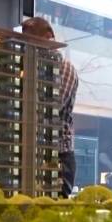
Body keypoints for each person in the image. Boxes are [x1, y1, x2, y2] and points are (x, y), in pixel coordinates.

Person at [21, 17, 79, 198]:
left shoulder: (65, 68)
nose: (29, 46)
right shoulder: (33, 68)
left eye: (32, 39)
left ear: (48, 36)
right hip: (37, 154)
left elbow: (53, 107)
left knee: (55, 206)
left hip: (59, 155)